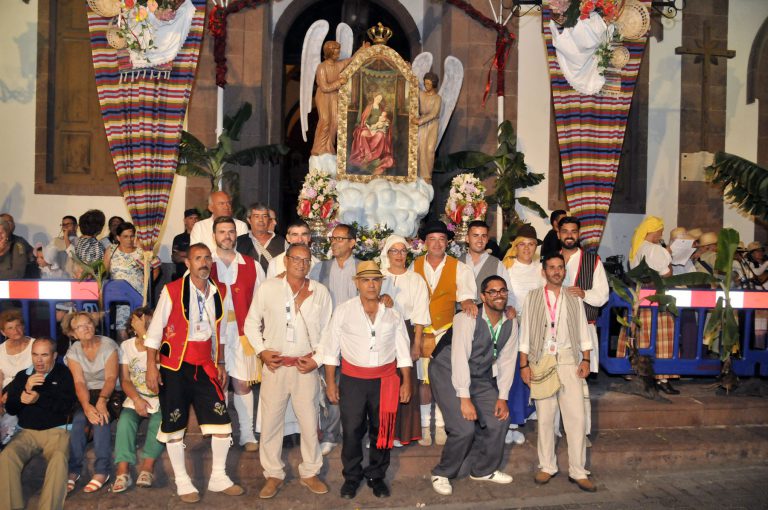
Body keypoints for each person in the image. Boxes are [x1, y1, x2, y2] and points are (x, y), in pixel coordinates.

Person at [144, 243, 244, 503]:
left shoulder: (219, 291)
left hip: (205, 364)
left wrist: (220, 362)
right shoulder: (172, 290)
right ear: (187, 263)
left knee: (222, 423)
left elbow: (222, 331)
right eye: (198, 258)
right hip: (174, 367)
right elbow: (154, 332)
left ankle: (219, 477)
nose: (204, 263)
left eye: (207, 258)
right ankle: (182, 480)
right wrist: (151, 366)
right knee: (174, 426)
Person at [244, 243, 332, 499]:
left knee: (309, 422)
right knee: (271, 423)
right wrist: (262, 351)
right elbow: (251, 323)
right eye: (296, 259)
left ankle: (310, 471)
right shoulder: (268, 288)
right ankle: (273, 473)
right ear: (285, 261)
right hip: (276, 366)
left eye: (306, 260)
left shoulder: (320, 292)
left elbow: (329, 331)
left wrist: (317, 360)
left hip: (306, 367)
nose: (301, 264)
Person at [323, 261, 413, 499]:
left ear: (381, 283)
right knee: (352, 431)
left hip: (385, 381)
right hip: (353, 381)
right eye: (365, 280)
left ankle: (377, 475)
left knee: (382, 431)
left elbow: (403, 351)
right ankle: (352, 477)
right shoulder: (343, 311)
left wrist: (406, 382)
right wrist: (331, 383)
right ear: (357, 283)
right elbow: (331, 350)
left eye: (375, 280)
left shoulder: (392, 313)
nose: (371, 285)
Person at [429, 276, 517, 495]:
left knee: (500, 419)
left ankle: (484, 470)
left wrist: (502, 397)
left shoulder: (511, 321)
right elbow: (459, 358)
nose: (498, 295)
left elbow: (507, 362)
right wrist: (464, 398)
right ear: (483, 297)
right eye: (492, 291)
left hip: (479, 374)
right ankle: (442, 472)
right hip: (447, 369)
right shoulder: (466, 317)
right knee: (463, 428)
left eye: (502, 290)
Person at [519, 253, 596, 492]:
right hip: (541, 362)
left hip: (569, 361)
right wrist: (524, 365)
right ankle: (547, 466)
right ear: (544, 272)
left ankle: (578, 470)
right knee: (545, 418)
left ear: (564, 271)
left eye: (560, 267)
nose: (556, 271)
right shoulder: (533, 297)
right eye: (551, 267)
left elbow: (583, 332)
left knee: (576, 418)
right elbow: (525, 334)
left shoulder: (573, 298)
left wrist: (585, 359)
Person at [411, 220, 477, 447]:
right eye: (432, 239)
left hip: (445, 332)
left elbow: (466, 296)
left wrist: (467, 301)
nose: (437, 243)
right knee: (423, 382)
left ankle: (440, 425)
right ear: (424, 243)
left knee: (443, 380)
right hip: (420, 331)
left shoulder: (459, 268)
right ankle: (424, 425)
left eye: (441, 239)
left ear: (447, 242)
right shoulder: (413, 266)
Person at [0, 337, 76, 510]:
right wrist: (25, 391)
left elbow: (66, 406)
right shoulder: (23, 376)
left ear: (54, 355)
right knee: (6, 456)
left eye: (44, 355)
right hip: (26, 432)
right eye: (35, 355)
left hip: (56, 431)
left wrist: (39, 398)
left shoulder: (63, 374)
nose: (39, 360)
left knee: (58, 459)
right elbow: (11, 408)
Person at [210, 216, 264, 452]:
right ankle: (221, 432)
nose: (227, 236)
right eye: (222, 231)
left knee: (242, 383)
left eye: (231, 231)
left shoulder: (252, 265)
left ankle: (247, 434)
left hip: (243, 332)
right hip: (213, 335)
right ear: (214, 235)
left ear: (236, 235)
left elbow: (263, 301)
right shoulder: (204, 262)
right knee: (218, 383)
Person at [618, 216, 680, 394]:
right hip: (656, 299)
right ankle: (662, 378)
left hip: (640, 299)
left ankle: (639, 375)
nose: (661, 235)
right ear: (654, 231)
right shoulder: (655, 249)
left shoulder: (636, 247)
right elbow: (666, 274)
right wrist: (668, 256)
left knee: (640, 337)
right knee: (661, 339)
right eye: (660, 231)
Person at [314, 223, 359, 455]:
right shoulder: (321, 268)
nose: (335, 243)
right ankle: (330, 435)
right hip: (329, 335)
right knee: (330, 386)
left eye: (340, 239)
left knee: (355, 388)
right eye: (333, 239)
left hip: (355, 338)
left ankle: (355, 433)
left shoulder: (362, 267)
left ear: (352, 243)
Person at [380, 234, 430, 446]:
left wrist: (416, 344)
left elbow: (420, 314)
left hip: (407, 332)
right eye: (394, 250)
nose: (399, 255)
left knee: (405, 382)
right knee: (383, 383)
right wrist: (381, 300)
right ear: (387, 253)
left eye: (402, 251)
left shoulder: (415, 279)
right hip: (382, 334)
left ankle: (402, 433)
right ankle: (384, 432)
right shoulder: (379, 277)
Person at [65, 311, 119, 494]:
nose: (86, 328)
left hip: (109, 392)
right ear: (73, 333)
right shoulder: (73, 351)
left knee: (101, 419)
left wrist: (102, 401)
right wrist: (86, 406)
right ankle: (74, 470)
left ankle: (102, 471)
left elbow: (111, 378)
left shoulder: (108, 345)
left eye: (88, 323)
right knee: (79, 420)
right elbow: (79, 382)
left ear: (94, 325)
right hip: (86, 393)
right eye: (79, 326)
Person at [111, 307, 164, 493]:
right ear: (133, 325)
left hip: (159, 398)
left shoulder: (162, 345)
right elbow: (125, 379)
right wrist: (136, 399)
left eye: (151, 323)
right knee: (125, 421)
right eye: (144, 324)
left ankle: (147, 467)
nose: (148, 326)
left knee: (160, 421)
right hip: (136, 396)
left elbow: (158, 361)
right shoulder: (126, 346)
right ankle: (122, 470)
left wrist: (145, 335)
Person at [501, 225, 543, 445]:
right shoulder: (507, 268)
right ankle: (512, 423)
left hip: (537, 329)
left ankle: (530, 412)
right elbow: (503, 297)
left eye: (531, 244)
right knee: (516, 375)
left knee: (536, 372)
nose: (527, 248)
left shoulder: (541, 269)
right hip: (515, 328)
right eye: (522, 244)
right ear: (515, 247)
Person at [104, 222, 161, 341]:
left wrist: (147, 284)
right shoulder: (111, 251)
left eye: (131, 236)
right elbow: (104, 272)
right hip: (118, 300)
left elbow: (156, 269)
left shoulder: (141, 252)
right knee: (122, 333)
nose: (129, 240)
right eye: (125, 236)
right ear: (118, 237)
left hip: (138, 297)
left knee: (139, 330)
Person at [311, 41, 352, 156]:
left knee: (335, 121)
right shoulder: (322, 67)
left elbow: (350, 60)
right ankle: (318, 148)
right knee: (325, 121)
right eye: (336, 53)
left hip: (334, 96)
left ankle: (329, 148)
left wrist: (361, 51)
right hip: (323, 96)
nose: (338, 55)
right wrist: (339, 82)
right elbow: (324, 87)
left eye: (338, 52)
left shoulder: (338, 65)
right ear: (329, 53)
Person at [0, 310, 34, 446]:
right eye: (10, 328)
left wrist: (11, 392)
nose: (16, 330)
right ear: (3, 332)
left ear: (23, 326)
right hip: (4, 392)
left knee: (12, 406)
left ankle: (8, 435)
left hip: (29, 387)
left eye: (18, 325)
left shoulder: (35, 345)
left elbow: (37, 373)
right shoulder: (0, 350)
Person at [348, 94, 395, 175]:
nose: (379, 100)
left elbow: (385, 118)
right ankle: (366, 154)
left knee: (381, 135)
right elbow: (364, 119)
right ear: (374, 97)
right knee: (363, 134)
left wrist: (384, 123)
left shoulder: (381, 108)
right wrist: (369, 126)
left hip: (378, 128)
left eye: (380, 99)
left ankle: (375, 156)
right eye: (378, 98)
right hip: (369, 127)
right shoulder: (369, 107)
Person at [236, 202, 286, 274]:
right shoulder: (239, 242)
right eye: (256, 216)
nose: (261, 220)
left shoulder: (282, 242)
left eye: (264, 216)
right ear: (249, 220)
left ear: (269, 220)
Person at [413, 72, 442, 182]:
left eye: (429, 84)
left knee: (430, 150)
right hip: (422, 125)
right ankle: (418, 174)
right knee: (420, 148)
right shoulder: (421, 94)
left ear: (434, 84)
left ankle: (427, 176)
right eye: (425, 83)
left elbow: (434, 114)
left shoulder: (437, 98)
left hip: (432, 125)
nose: (426, 86)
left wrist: (420, 121)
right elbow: (412, 94)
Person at [73, 209, 106, 278]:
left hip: (81, 279)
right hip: (91, 281)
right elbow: (93, 268)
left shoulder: (80, 241)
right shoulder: (95, 245)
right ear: (99, 228)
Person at [172, 208, 200, 279]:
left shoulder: (202, 237)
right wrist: (193, 257)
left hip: (198, 275)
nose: (194, 221)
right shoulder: (178, 238)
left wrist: (183, 254)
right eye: (191, 218)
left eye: (196, 218)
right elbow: (175, 257)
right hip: (182, 275)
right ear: (185, 221)